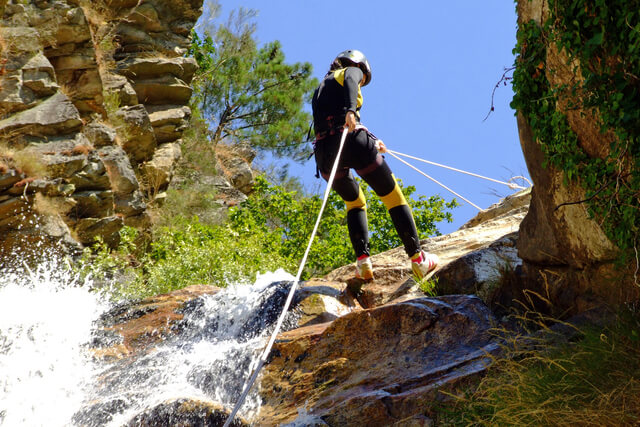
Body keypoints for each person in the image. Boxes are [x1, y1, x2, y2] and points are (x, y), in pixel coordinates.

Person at [311, 49, 439, 281]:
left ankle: (363, 261)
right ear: (357, 64)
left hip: (325, 156)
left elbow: (332, 119)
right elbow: (351, 83)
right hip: (351, 141)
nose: (361, 80)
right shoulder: (349, 71)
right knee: (393, 196)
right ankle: (418, 260)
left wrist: (372, 138)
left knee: (355, 202)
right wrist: (352, 110)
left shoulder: (320, 89)